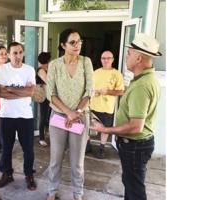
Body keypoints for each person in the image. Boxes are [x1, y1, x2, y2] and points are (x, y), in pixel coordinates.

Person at [89, 33, 162, 200]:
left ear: (138, 58)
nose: (126, 57)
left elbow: (136, 126)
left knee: (135, 190)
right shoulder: (146, 79)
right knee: (131, 184)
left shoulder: (142, 85)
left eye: (129, 54)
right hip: (138, 145)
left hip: (135, 146)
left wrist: (105, 129)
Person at [46, 28, 94, 200]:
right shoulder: (54, 65)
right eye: (72, 42)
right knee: (55, 159)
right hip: (59, 117)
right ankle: (52, 192)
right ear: (63, 45)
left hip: (80, 117)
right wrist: (68, 113)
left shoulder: (86, 62)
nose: (77, 45)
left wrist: (77, 112)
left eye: (79, 41)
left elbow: (89, 90)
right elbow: (50, 93)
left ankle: (77, 194)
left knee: (77, 162)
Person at [0, 42, 37, 191]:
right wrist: (21, 90)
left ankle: (28, 174)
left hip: (25, 115)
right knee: (6, 147)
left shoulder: (29, 70)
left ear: (23, 53)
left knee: (28, 148)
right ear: (8, 54)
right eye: (14, 53)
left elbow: (30, 92)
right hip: (6, 115)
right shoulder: (2, 69)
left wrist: (9, 89)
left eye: (20, 52)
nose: (17, 56)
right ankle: (7, 173)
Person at [85, 50, 124, 159]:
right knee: (88, 127)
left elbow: (121, 91)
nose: (106, 60)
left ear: (112, 59)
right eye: (103, 58)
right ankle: (88, 146)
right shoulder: (95, 72)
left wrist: (107, 92)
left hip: (107, 108)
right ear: (100, 59)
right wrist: (93, 92)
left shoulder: (117, 74)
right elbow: (89, 88)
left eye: (108, 58)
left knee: (105, 129)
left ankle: (102, 148)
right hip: (92, 105)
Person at [36, 52, 52, 147]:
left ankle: (44, 135)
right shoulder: (41, 70)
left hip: (47, 96)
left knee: (47, 116)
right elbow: (48, 82)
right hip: (43, 96)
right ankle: (41, 138)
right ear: (47, 61)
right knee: (44, 117)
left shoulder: (45, 70)